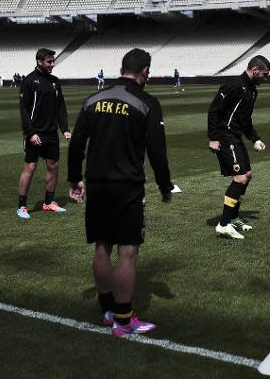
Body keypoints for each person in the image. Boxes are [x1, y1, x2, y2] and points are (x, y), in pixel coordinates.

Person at [68, 48, 173, 337]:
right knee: (128, 252)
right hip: (127, 186)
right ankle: (124, 321)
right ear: (144, 73)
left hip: (98, 183)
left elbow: (77, 143)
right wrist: (165, 186)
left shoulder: (94, 99)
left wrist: (75, 179)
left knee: (102, 246)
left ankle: (107, 310)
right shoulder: (146, 102)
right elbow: (157, 152)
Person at [207, 55, 270, 239]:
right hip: (225, 136)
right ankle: (223, 224)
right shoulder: (234, 84)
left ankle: (234, 218)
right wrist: (213, 138)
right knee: (240, 178)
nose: (265, 79)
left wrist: (254, 139)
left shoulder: (252, 91)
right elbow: (214, 109)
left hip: (236, 137)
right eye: (264, 75)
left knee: (247, 175)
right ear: (255, 70)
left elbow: (245, 120)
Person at [17, 48, 71, 219]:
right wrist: (30, 133)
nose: (52, 64)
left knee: (53, 166)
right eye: (49, 61)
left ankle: (49, 202)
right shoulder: (29, 81)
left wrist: (65, 129)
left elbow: (60, 106)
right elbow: (23, 110)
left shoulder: (55, 81)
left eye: (53, 61)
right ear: (39, 61)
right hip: (35, 133)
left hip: (51, 133)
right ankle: (22, 206)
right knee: (30, 167)